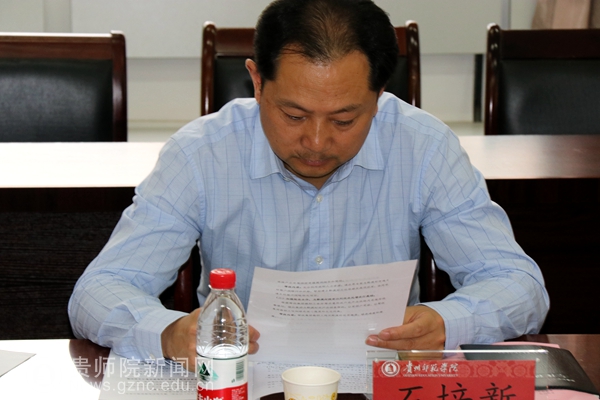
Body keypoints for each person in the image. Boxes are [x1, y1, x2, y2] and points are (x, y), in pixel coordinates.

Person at [68, 0, 549, 370]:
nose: (316, 142)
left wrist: (448, 322)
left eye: (344, 119)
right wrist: (169, 333)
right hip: (242, 382)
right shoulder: (201, 154)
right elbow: (99, 291)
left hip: (381, 381)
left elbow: (519, 285)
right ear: (257, 82)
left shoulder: (424, 147)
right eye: (294, 115)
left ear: (379, 95)